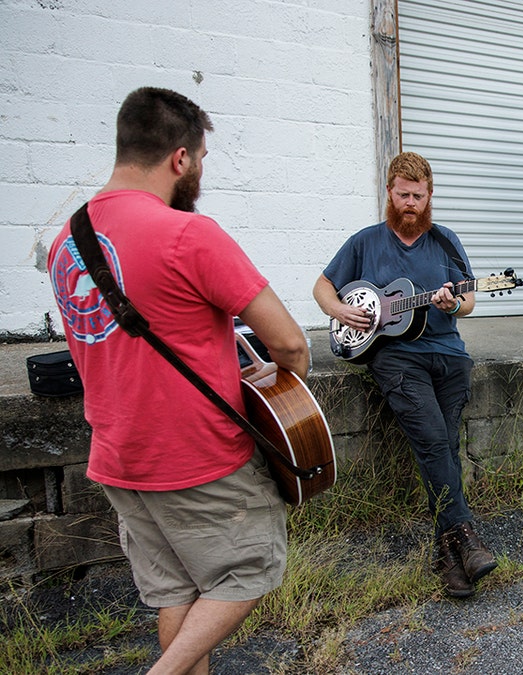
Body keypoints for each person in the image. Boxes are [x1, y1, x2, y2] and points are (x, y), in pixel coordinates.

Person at [46, 87, 310, 674]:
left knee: (178, 593)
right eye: (202, 158)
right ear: (180, 158)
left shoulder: (67, 243)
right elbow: (289, 341)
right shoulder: (190, 235)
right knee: (248, 570)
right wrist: (287, 384)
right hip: (195, 456)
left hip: (119, 456)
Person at [313, 152, 497, 598]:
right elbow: (322, 286)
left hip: (449, 355)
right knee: (435, 441)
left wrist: (454, 303)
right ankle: (467, 537)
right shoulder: (365, 242)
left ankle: (446, 557)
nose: (410, 202)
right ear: (390, 193)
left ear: (429, 196)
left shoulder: (446, 241)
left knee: (444, 448)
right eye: (403, 194)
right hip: (395, 358)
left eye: (418, 195)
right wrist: (341, 310)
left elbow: (470, 300)